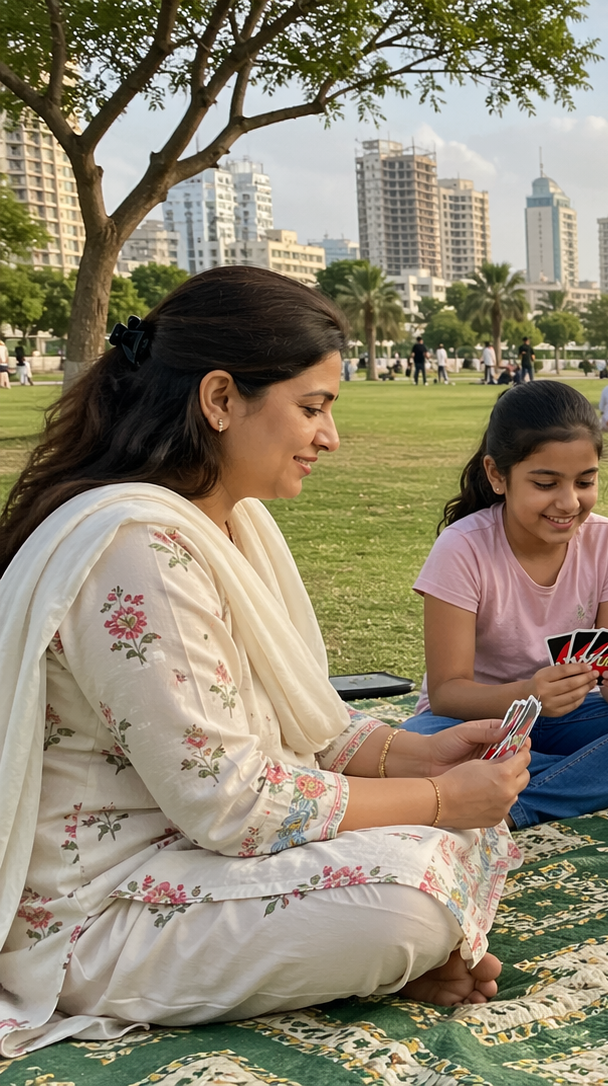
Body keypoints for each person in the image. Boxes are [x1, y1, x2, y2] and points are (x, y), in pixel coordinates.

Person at [0, 267, 531, 1056]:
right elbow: (234, 802)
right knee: (413, 898)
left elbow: (295, 716)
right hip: (101, 906)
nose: (329, 436)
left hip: (191, 858)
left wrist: (419, 754)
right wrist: (437, 798)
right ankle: (370, 961)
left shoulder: (228, 523)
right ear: (219, 400)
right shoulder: (136, 548)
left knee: (455, 847)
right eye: (312, 407)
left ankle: (354, 965)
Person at [396, 381, 608, 824]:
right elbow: (448, 693)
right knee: (413, 744)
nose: (568, 503)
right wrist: (528, 696)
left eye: (585, 481)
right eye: (546, 483)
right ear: (497, 475)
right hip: (480, 723)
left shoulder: (607, 542)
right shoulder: (462, 549)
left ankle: (524, 799)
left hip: (572, 719)